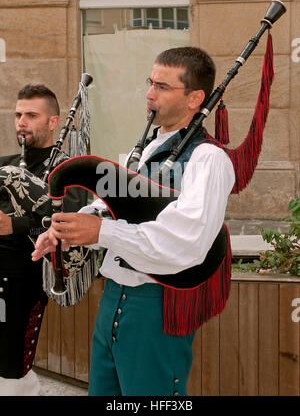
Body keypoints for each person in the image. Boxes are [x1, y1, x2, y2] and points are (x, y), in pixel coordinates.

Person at [32, 47, 235, 396]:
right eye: (149, 82)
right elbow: (110, 209)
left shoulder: (208, 160)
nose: (149, 93)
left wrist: (103, 231)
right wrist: (71, 230)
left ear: (194, 98)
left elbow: (184, 241)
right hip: (113, 296)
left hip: (157, 304)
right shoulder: (143, 152)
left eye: (162, 86)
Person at [0, 84, 86, 396]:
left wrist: (15, 225)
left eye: (31, 115)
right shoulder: (4, 163)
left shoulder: (69, 169)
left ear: (53, 122)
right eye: (18, 114)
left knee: (12, 371)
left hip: (24, 283)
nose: (21, 121)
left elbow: (70, 226)